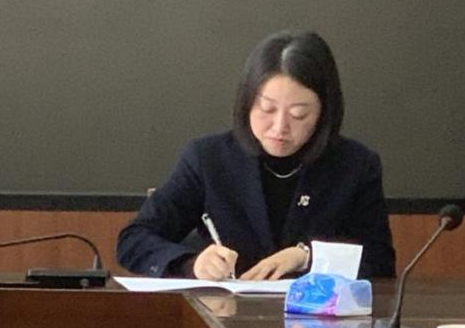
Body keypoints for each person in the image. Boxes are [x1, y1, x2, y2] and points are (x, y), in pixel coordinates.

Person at [116, 30, 395, 281]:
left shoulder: (355, 166)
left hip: (318, 316)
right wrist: (192, 263)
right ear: (247, 101)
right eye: (267, 109)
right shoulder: (208, 159)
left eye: (299, 114)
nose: (280, 127)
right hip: (222, 313)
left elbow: (380, 261)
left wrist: (307, 257)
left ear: (324, 113)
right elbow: (134, 240)